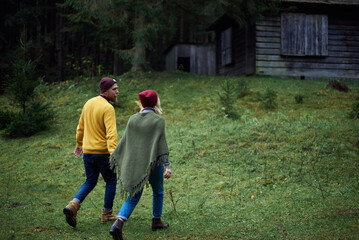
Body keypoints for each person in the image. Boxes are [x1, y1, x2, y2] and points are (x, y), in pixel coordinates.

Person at [109, 90, 172, 240]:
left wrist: (118, 158)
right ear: (155, 102)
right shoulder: (158, 121)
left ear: (142, 103)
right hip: (153, 164)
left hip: (136, 164)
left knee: (133, 195)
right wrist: (167, 166)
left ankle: (118, 223)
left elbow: (125, 142)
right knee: (158, 191)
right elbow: (161, 146)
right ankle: (156, 221)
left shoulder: (132, 119)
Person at [63, 77, 119, 227]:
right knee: (111, 180)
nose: (117, 92)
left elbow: (80, 127)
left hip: (88, 153)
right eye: (114, 89)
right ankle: (106, 213)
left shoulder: (89, 103)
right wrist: (114, 153)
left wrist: (79, 144)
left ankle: (73, 205)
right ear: (106, 91)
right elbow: (111, 134)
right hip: (103, 153)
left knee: (90, 181)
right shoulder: (108, 108)